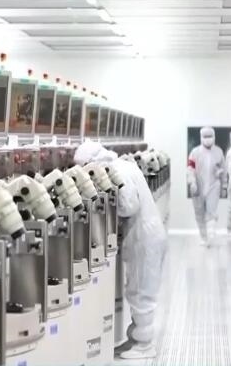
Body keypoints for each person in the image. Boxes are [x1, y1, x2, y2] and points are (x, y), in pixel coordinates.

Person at [74, 141, 168, 360]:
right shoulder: (123, 165)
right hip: (146, 233)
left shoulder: (116, 171)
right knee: (137, 286)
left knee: (140, 290)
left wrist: (106, 202)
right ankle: (136, 338)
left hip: (144, 237)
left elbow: (129, 206)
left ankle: (144, 344)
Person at [187, 127, 226, 246]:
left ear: (214, 137)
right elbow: (190, 168)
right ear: (201, 137)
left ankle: (211, 233)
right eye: (205, 137)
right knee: (199, 213)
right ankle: (204, 237)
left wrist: (224, 185)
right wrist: (192, 182)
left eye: (210, 136)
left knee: (211, 211)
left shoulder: (219, 152)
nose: (208, 139)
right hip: (198, 186)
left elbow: (224, 169)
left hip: (214, 185)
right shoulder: (194, 152)